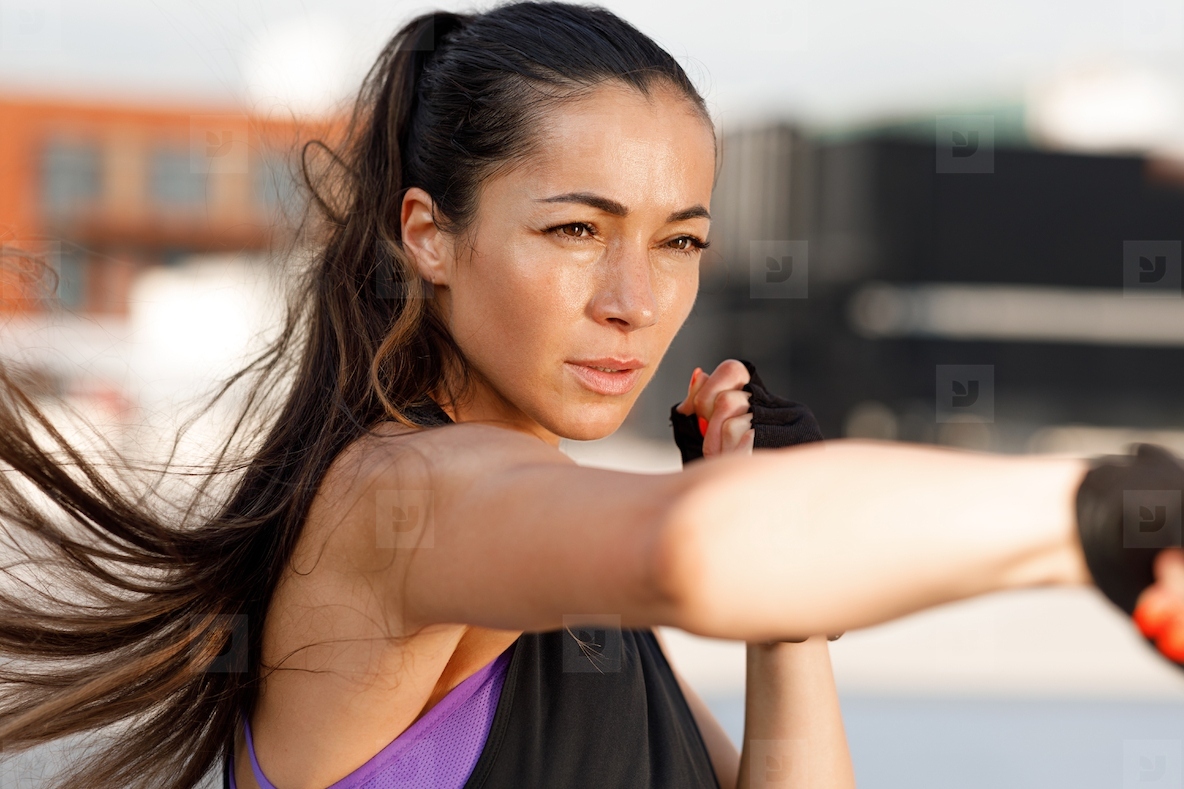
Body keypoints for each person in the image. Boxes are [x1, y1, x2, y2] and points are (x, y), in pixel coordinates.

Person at [0, 2, 1177, 788]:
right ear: (431, 236)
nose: (633, 300)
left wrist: (787, 613)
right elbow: (686, 556)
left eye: (678, 243)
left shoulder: (543, 549)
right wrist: (1093, 513)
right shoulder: (406, 498)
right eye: (574, 230)